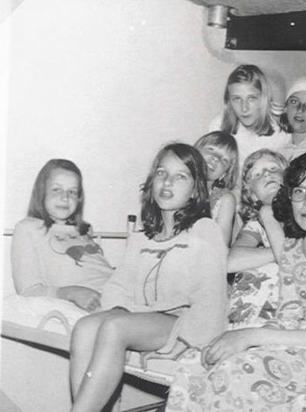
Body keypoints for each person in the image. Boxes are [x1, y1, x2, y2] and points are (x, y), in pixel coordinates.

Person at [166, 149, 306, 411]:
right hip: (303, 350)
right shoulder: (294, 248)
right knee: (194, 362)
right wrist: (233, 338)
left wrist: (249, 337)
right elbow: (288, 316)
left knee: (240, 372)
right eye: (300, 192)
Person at [69, 143, 228, 412]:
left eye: (180, 176)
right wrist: (119, 309)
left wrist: (186, 341)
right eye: (162, 173)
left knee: (115, 327)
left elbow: (212, 297)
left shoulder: (204, 230)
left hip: (180, 320)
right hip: (141, 316)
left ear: (195, 190)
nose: (167, 182)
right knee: (85, 327)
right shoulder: (142, 237)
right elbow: (118, 285)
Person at [11, 159, 113, 312]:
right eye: (56, 189)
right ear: (41, 192)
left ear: (79, 198)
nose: (65, 197)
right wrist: (70, 293)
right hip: (96, 307)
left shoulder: (84, 231)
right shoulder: (28, 228)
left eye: (72, 191)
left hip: (120, 297)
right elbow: (27, 291)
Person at [227, 149, 288, 328]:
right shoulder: (255, 225)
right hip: (251, 315)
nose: (267, 174)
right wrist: (281, 251)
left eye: (273, 169)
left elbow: (290, 264)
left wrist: (268, 215)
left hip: (291, 309)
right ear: (252, 194)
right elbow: (231, 262)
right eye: (257, 174)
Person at [208, 64, 291, 173]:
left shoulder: (280, 134)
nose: (244, 108)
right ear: (229, 101)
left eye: (251, 98)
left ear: (263, 98)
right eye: (237, 99)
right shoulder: (219, 126)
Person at [194, 131, 239, 245]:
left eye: (224, 160)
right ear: (195, 151)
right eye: (211, 149)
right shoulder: (177, 185)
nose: (216, 158)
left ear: (224, 174)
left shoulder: (224, 200)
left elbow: (221, 246)